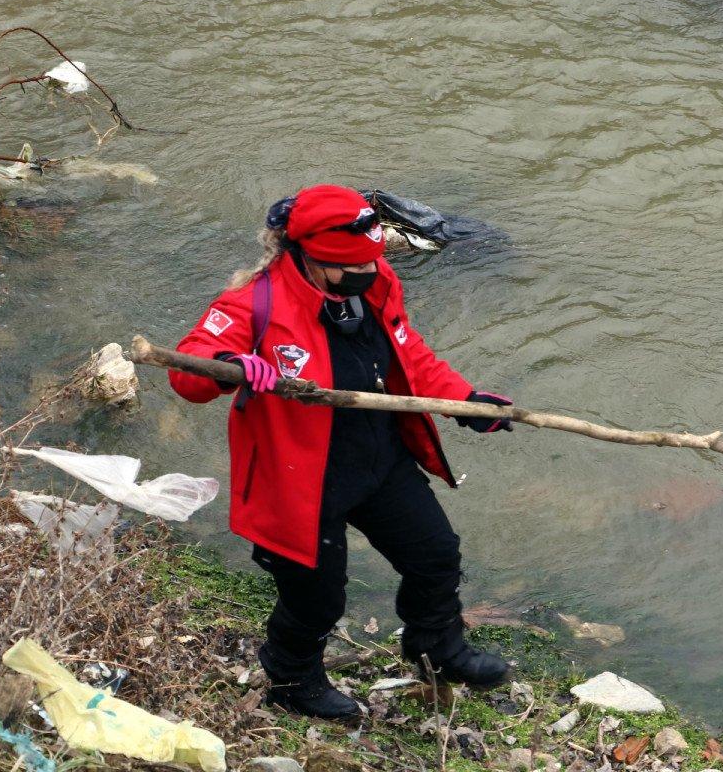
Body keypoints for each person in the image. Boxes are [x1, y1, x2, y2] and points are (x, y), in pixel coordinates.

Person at [168, 184, 514, 722]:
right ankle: (292, 680)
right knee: (317, 599)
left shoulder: (375, 282)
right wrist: (232, 363)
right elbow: (187, 371)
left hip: (378, 458)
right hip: (297, 478)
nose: (370, 271)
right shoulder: (253, 303)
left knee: (435, 554)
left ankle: (437, 648)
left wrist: (464, 401)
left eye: (373, 260)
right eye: (352, 265)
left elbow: (409, 352)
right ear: (309, 257)